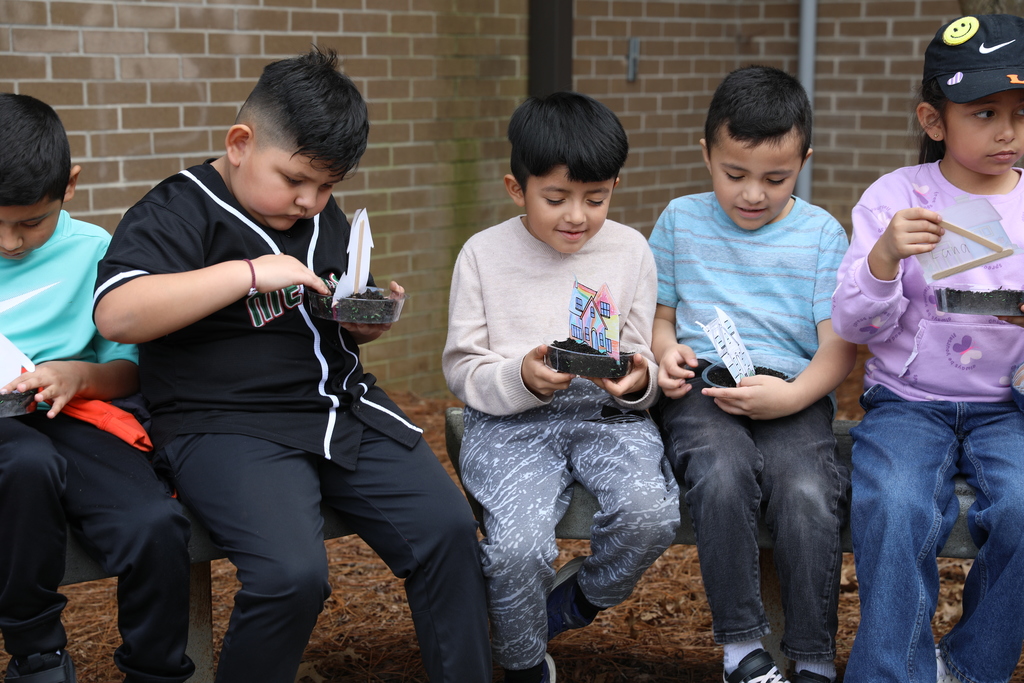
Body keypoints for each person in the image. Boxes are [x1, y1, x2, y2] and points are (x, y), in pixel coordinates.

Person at [92, 48, 491, 683]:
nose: (310, 201)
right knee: (291, 576)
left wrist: (361, 323)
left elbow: (318, 313)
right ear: (241, 143)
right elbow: (116, 314)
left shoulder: (320, 215)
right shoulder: (178, 207)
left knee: (445, 530)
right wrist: (247, 273)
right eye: (295, 179)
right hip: (223, 424)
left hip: (338, 407)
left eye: (328, 186)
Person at [443, 91, 681, 683]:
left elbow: (642, 360)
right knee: (517, 550)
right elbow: (462, 368)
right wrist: (521, 376)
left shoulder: (629, 250)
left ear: (614, 188)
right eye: (556, 198)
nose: (577, 215)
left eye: (596, 199)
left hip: (604, 416)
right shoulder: (482, 255)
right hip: (511, 423)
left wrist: (636, 380)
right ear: (515, 187)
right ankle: (524, 662)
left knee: (650, 513)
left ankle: (579, 602)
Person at [832, 14, 1024, 683]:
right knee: (895, 502)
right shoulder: (895, 197)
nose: (1008, 131)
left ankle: (971, 667)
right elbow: (856, 323)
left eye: (1022, 112)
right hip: (910, 401)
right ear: (934, 119)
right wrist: (885, 257)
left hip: (1010, 404)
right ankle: (895, 671)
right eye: (986, 112)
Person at [650, 66, 856, 683]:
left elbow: (838, 350)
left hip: (794, 389)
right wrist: (665, 352)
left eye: (776, 178)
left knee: (807, 491)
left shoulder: (821, 234)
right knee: (721, 471)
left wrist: (792, 396)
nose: (752, 194)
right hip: (703, 386)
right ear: (707, 153)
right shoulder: (680, 221)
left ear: (804, 161)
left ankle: (813, 654)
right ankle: (743, 649)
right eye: (734, 174)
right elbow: (660, 320)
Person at [0, 94, 194, 683]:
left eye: (31, 222)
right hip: (11, 440)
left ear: (71, 185)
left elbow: (129, 371)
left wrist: (77, 374)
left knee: (154, 525)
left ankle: (156, 668)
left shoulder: (97, 252)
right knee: (27, 464)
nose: (10, 242)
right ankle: (37, 654)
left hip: (79, 413)